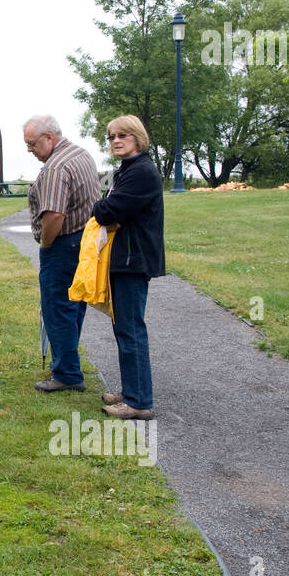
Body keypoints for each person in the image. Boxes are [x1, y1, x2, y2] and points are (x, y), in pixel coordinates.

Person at [91, 115, 165, 420]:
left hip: (133, 260)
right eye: (111, 137)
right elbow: (109, 208)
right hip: (123, 259)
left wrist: (105, 209)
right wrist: (107, 209)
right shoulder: (127, 170)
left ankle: (138, 402)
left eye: (123, 135)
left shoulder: (141, 172)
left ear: (138, 136)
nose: (116, 141)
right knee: (123, 327)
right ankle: (131, 390)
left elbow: (106, 211)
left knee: (131, 329)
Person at [24, 115, 101, 392]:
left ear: (49, 137)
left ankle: (67, 374)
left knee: (58, 308)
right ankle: (67, 363)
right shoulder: (81, 154)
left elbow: (55, 215)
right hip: (85, 241)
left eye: (32, 144)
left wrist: (46, 244)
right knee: (74, 304)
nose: (29, 150)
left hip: (64, 244)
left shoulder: (56, 167)